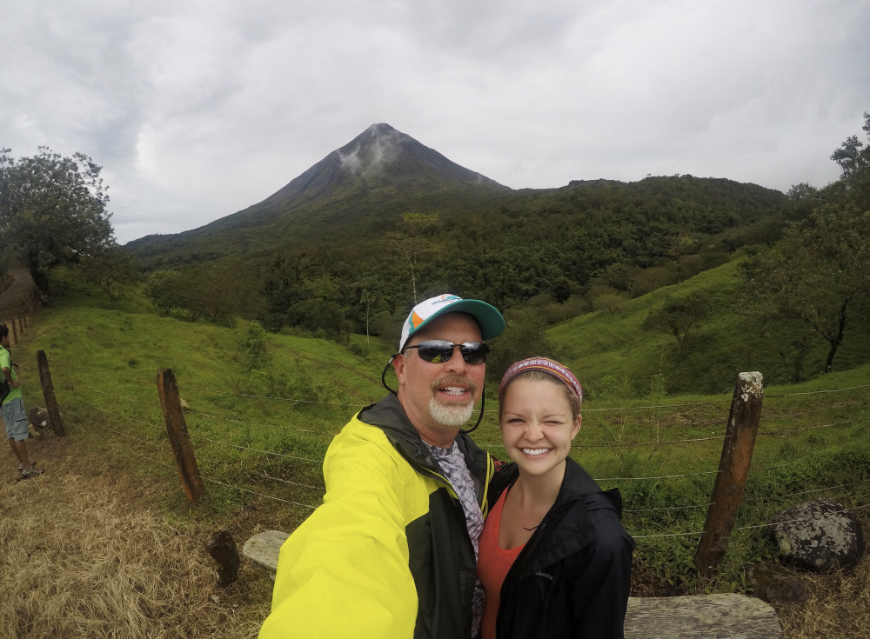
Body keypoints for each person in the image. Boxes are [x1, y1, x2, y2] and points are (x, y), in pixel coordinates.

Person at [260, 294, 506, 639]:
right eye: (436, 350)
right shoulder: (369, 454)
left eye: (473, 352)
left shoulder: (469, 454)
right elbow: (349, 555)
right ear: (401, 369)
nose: (458, 365)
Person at [478, 357, 634, 639]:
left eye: (551, 421)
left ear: (575, 425)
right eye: (516, 419)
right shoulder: (496, 486)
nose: (533, 434)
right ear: (500, 423)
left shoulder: (599, 540)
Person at [1, 324, 43, 479]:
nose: (8, 339)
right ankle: (28, 469)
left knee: (11, 433)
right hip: (12, 398)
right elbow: (5, 369)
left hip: (3, 401)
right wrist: (11, 381)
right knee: (19, 435)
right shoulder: (3, 352)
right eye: (7, 336)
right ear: (3, 338)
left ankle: (21, 463)